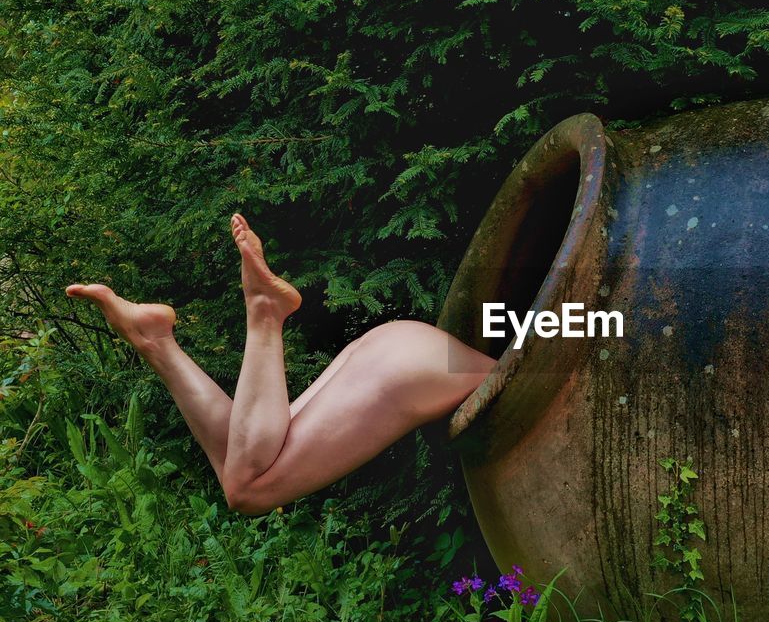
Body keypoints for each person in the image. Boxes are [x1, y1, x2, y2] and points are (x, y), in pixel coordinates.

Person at [65, 214, 496, 516]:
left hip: (402, 355)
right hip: (411, 369)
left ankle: (156, 342)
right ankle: (260, 313)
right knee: (248, 486)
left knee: (245, 477)